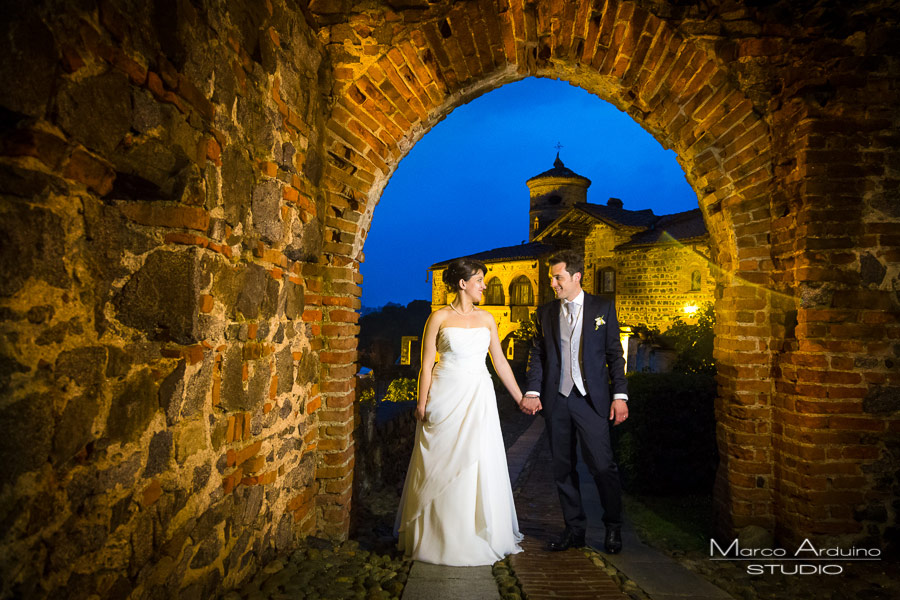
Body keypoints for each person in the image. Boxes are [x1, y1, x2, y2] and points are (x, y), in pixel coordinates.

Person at [395, 258, 529, 566]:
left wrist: (520, 397)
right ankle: (436, 534)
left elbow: (500, 363)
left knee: (477, 460)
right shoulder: (438, 317)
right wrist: (422, 401)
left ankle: (473, 532)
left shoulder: (487, 319)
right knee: (439, 460)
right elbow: (426, 363)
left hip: (478, 395)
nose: (484, 285)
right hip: (445, 395)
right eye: (480, 279)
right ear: (462, 284)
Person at [520, 249, 629, 554]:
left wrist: (620, 396)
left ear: (576, 276)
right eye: (552, 277)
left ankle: (612, 527)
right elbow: (538, 355)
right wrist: (534, 390)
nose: (552, 282)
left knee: (603, 467)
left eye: (558, 277)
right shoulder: (544, 313)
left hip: (591, 401)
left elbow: (614, 356)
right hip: (557, 401)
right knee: (562, 469)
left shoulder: (602, 308)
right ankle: (575, 529)